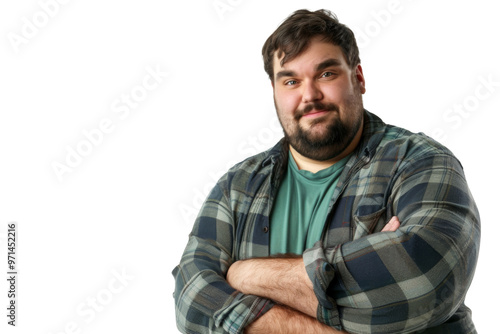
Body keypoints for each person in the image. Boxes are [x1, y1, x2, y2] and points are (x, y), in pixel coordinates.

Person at [172, 9, 480, 334]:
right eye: (291, 81)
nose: (309, 95)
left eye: (326, 74)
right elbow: (191, 300)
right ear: (275, 93)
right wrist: (361, 272)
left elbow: (426, 283)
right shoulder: (238, 185)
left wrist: (246, 275)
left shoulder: (419, 161)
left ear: (358, 78)